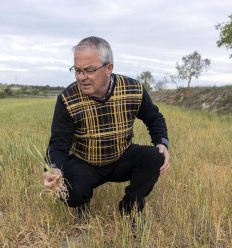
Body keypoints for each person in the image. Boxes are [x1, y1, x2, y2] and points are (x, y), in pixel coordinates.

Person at [43, 36, 169, 219]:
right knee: (68, 190)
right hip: (85, 162)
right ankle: (82, 200)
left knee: (154, 157)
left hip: (121, 157)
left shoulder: (133, 90)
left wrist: (162, 141)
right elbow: (58, 143)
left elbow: (155, 118)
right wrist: (55, 169)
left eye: (89, 70)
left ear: (109, 68)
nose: (81, 77)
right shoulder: (67, 99)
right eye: (77, 70)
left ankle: (130, 207)